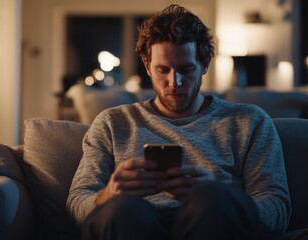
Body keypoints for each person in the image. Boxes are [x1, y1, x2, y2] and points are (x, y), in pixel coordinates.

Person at [67, 4, 291, 240]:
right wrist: (107, 196)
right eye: (163, 70)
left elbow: (277, 208)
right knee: (123, 209)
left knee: (211, 200)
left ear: (205, 64)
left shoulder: (249, 121)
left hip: (211, 222)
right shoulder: (112, 123)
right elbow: (77, 202)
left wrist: (219, 193)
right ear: (147, 67)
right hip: (133, 224)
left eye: (186, 69)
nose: (174, 82)